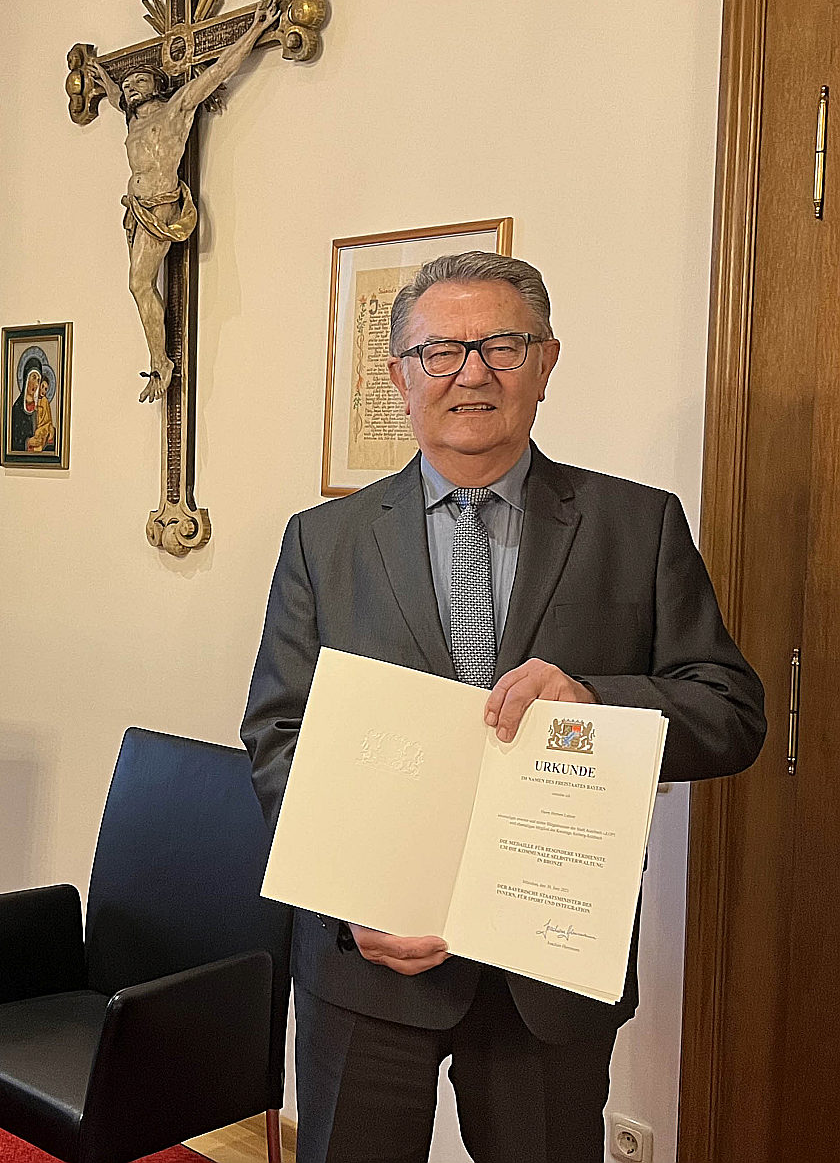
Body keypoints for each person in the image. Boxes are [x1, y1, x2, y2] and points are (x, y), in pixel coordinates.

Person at [240, 251, 765, 1163]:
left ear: (547, 363)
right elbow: (278, 734)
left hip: (550, 969)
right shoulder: (324, 542)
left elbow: (731, 711)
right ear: (402, 378)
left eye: (502, 345)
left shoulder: (638, 527)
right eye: (439, 350)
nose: (472, 372)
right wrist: (355, 897)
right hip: (371, 964)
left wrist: (596, 699)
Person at [90, 0, 279, 403]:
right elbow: (111, 94)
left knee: (139, 282)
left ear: (158, 85)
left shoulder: (176, 108)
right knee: (139, 285)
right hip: (135, 211)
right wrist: (101, 75)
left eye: (138, 81)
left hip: (160, 205)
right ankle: (159, 360)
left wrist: (255, 29)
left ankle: (161, 363)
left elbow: (220, 71)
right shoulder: (133, 117)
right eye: (128, 84)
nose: (130, 87)